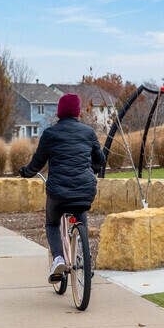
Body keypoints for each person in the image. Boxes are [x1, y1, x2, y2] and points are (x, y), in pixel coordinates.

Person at [19, 93, 106, 283]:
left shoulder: (50, 134)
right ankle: (85, 258)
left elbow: (37, 162)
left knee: (52, 223)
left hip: (58, 191)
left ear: (59, 112)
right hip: (85, 188)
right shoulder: (88, 132)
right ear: (77, 112)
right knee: (80, 213)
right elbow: (100, 159)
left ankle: (58, 258)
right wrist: (93, 169)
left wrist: (26, 172)